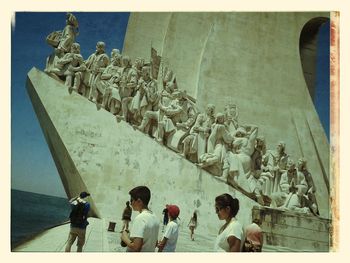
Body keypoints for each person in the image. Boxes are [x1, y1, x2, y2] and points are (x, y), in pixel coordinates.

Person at [120, 186, 160, 252]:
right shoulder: (155, 217)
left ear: (139, 201)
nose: (130, 203)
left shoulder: (141, 218)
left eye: (131, 200)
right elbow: (155, 243)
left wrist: (124, 237)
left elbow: (136, 247)